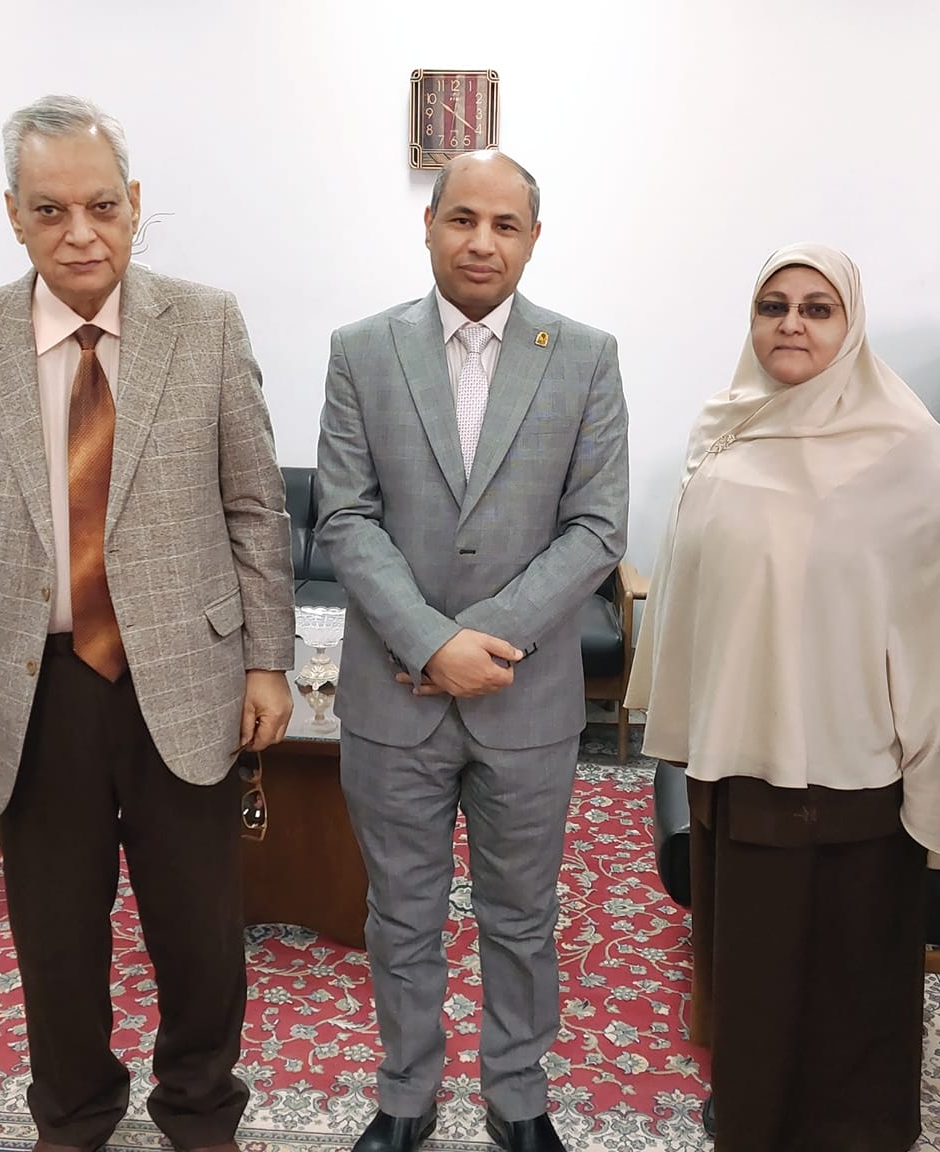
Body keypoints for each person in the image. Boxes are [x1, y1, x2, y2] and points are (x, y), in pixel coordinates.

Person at [0, 94, 295, 1152]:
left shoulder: (206, 323)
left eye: (101, 206)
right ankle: (74, 1115)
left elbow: (255, 505)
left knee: (200, 931)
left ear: (134, 203)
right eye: (50, 210)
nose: (79, 233)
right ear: (13, 214)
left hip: (185, 676)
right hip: (33, 688)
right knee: (55, 935)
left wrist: (268, 660)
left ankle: (200, 1109)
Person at [625, 244, 940, 1152]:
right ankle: (750, 1122)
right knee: (750, 977)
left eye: (818, 308)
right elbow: (692, 589)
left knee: (851, 987)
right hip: (738, 762)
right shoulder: (727, 429)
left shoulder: (908, 451)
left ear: (851, 326)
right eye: (773, 305)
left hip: (854, 777)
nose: (791, 323)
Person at [315, 150, 628, 1152]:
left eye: (504, 224)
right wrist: (428, 643)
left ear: (532, 239)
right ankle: (404, 1095)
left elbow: (596, 527)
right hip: (392, 695)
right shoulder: (362, 350)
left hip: (525, 698)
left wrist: (477, 639)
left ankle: (517, 1096)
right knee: (399, 914)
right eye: (461, 219)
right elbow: (344, 517)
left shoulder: (584, 356)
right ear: (429, 225)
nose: (480, 242)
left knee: (521, 914)